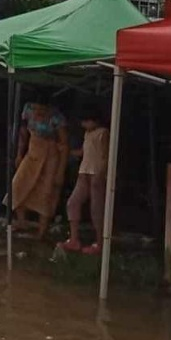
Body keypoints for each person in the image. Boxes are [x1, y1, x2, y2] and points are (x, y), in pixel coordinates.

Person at [11, 90, 69, 241]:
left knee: (46, 193)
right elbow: (23, 132)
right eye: (36, 109)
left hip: (51, 156)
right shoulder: (27, 109)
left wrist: (60, 171)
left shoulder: (57, 118)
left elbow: (64, 145)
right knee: (18, 184)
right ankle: (21, 221)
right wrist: (19, 153)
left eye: (42, 110)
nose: (38, 112)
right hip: (32, 151)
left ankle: (42, 231)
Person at [61, 109, 110, 255]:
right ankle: (74, 239)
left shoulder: (103, 133)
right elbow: (84, 151)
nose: (83, 125)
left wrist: (100, 173)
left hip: (96, 173)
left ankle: (100, 243)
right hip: (84, 171)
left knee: (96, 209)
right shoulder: (87, 133)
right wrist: (67, 151)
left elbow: (106, 155)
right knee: (73, 202)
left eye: (86, 121)